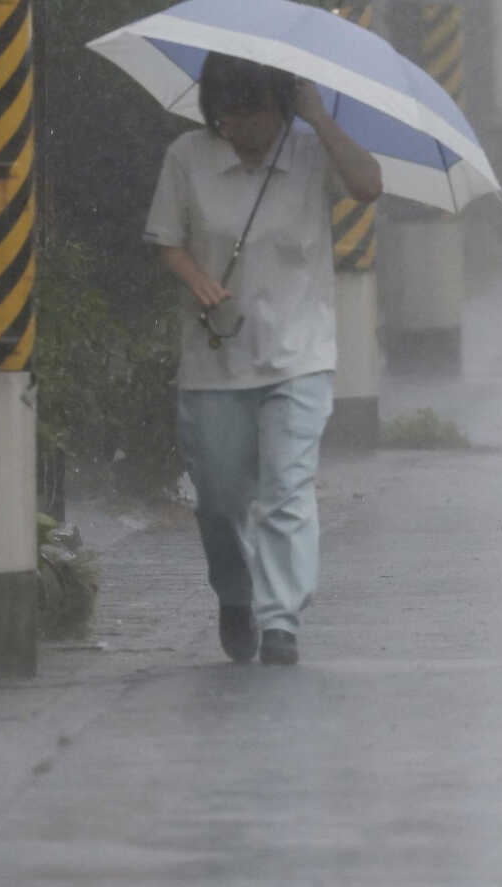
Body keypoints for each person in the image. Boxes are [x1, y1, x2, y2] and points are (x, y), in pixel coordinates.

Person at [144, 51, 383, 666]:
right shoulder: (186, 160)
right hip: (214, 362)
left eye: (253, 112)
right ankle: (235, 593)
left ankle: (281, 620)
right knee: (220, 499)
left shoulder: (308, 152)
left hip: (299, 354)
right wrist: (197, 279)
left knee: (287, 487)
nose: (241, 127)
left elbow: (368, 185)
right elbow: (167, 241)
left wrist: (318, 120)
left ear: (278, 106)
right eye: (227, 114)